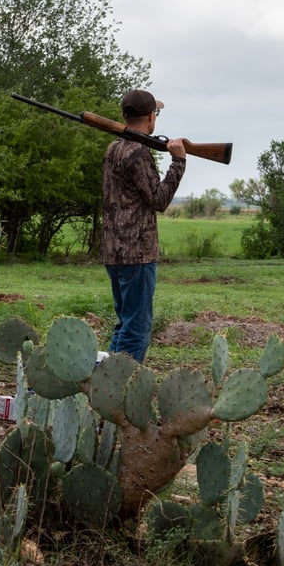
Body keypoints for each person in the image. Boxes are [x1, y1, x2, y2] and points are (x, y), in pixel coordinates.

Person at [100, 89, 186, 363]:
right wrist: (178, 162)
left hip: (114, 251)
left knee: (125, 325)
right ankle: (118, 392)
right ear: (151, 117)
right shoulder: (138, 152)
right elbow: (159, 199)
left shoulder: (114, 147)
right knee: (136, 331)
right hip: (136, 252)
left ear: (124, 115)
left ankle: (104, 385)